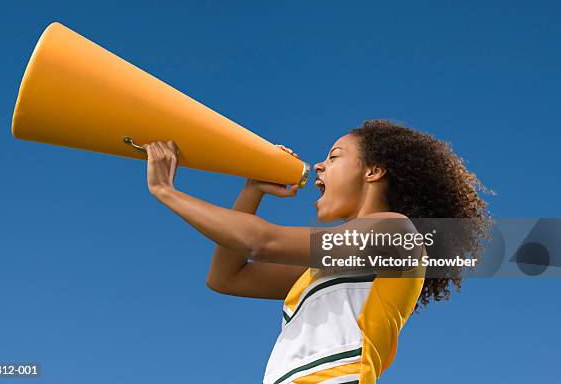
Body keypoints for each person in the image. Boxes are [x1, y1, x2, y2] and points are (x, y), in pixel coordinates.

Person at [143, 119, 492, 383]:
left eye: (334, 156)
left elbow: (263, 242)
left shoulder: (395, 232)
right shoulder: (331, 267)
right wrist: (252, 191)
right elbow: (226, 277)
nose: (320, 166)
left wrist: (166, 191)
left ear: (373, 171)